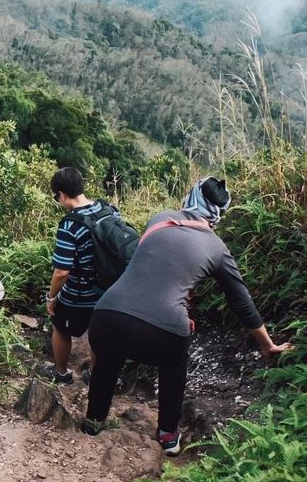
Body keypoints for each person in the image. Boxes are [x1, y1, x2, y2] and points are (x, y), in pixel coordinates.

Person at [82, 176, 291, 455]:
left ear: (191, 195)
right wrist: (268, 345)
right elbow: (241, 303)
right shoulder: (216, 248)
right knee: (173, 365)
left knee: (109, 358)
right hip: (162, 329)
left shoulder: (159, 219)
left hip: (107, 315)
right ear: (220, 213)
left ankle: (94, 420)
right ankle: (168, 435)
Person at [41, 167, 113, 383]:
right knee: (97, 333)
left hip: (80, 294)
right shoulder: (108, 209)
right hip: (109, 290)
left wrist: (51, 297)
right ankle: (95, 376)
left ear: (61, 195)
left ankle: (62, 373)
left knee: (59, 326)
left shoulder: (70, 225)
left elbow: (62, 271)